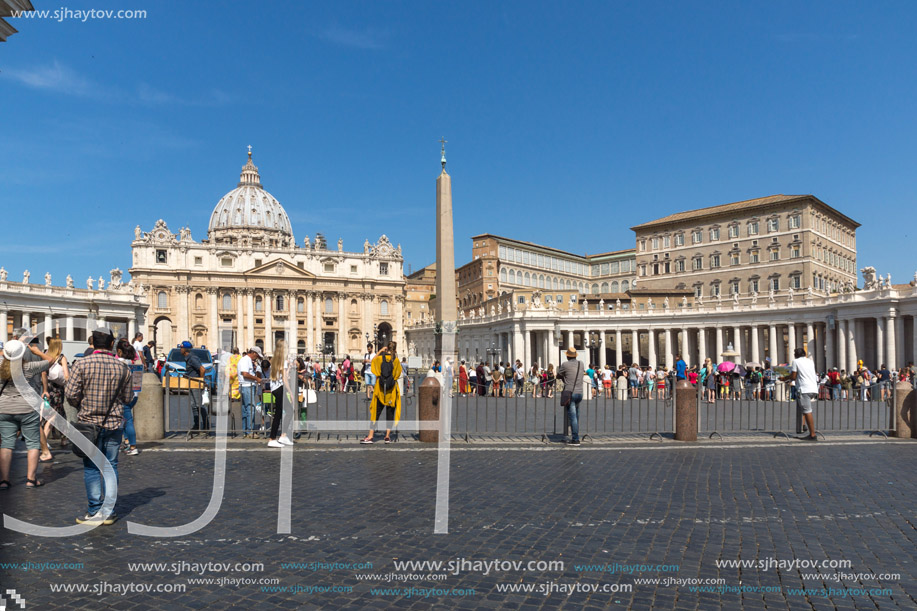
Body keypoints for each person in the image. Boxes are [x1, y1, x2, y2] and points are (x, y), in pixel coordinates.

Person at [65, 326, 133, 523]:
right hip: (114, 424)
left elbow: (70, 394)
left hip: (88, 424)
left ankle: (95, 511)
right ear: (112, 344)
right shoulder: (123, 367)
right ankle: (109, 511)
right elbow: (128, 398)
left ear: (92, 343)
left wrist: (80, 404)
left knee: (92, 468)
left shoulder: (81, 364)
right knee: (111, 466)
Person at [0, 340, 55, 489]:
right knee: (32, 444)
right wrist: (37, 352)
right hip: (27, 409)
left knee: (6, 444)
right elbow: (50, 360)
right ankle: (31, 479)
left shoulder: (0, 368)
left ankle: (4, 480)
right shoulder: (28, 367)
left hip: (4, 409)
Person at [361, 341, 402, 444]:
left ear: (386, 349)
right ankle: (387, 436)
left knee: (375, 412)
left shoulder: (379, 359)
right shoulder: (396, 360)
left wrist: (379, 351)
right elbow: (398, 374)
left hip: (380, 391)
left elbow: (372, 362)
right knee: (390, 413)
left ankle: (370, 436)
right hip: (391, 391)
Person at [782, 347, 818, 441]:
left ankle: (812, 435)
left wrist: (784, 378)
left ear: (796, 355)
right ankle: (802, 427)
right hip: (813, 388)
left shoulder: (796, 361)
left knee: (807, 411)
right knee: (804, 408)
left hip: (804, 388)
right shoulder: (810, 361)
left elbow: (793, 376)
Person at [43, 337, 71, 449]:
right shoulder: (61, 357)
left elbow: (43, 373)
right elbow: (67, 375)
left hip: (48, 388)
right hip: (58, 389)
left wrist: (44, 389)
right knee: (54, 415)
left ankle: (63, 437)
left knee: (56, 413)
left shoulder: (45, 355)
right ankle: (44, 441)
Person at [116, 338, 142, 456]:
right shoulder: (136, 362)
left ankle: (133, 446)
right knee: (125, 420)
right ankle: (127, 442)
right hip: (135, 394)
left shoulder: (119, 362)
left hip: (123, 395)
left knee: (128, 421)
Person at [267, 340, 294, 448]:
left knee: (282, 412)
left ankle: (282, 436)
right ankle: (273, 438)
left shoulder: (274, 360)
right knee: (284, 413)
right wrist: (290, 392)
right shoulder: (283, 360)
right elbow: (285, 379)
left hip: (275, 388)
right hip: (279, 389)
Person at [179, 341, 208, 437]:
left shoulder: (192, 358)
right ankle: (197, 425)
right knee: (194, 405)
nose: (180, 349)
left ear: (185, 349)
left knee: (199, 404)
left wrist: (201, 380)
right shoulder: (188, 358)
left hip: (196, 384)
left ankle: (206, 425)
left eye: (181, 348)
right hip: (191, 384)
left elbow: (202, 369)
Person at [556, 347, 584, 446]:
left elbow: (558, 375)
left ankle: (575, 439)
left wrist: (565, 377)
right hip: (580, 393)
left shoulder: (565, 364)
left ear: (567, 356)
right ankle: (574, 434)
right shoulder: (581, 364)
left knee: (573, 417)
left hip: (570, 392)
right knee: (576, 415)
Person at [237, 347, 263, 438]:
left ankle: (246, 430)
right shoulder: (246, 360)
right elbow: (245, 374)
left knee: (245, 409)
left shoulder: (245, 360)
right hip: (247, 386)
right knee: (250, 409)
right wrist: (257, 379)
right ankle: (249, 431)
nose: (256, 358)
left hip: (245, 386)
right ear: (254, 353)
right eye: (257, 356)